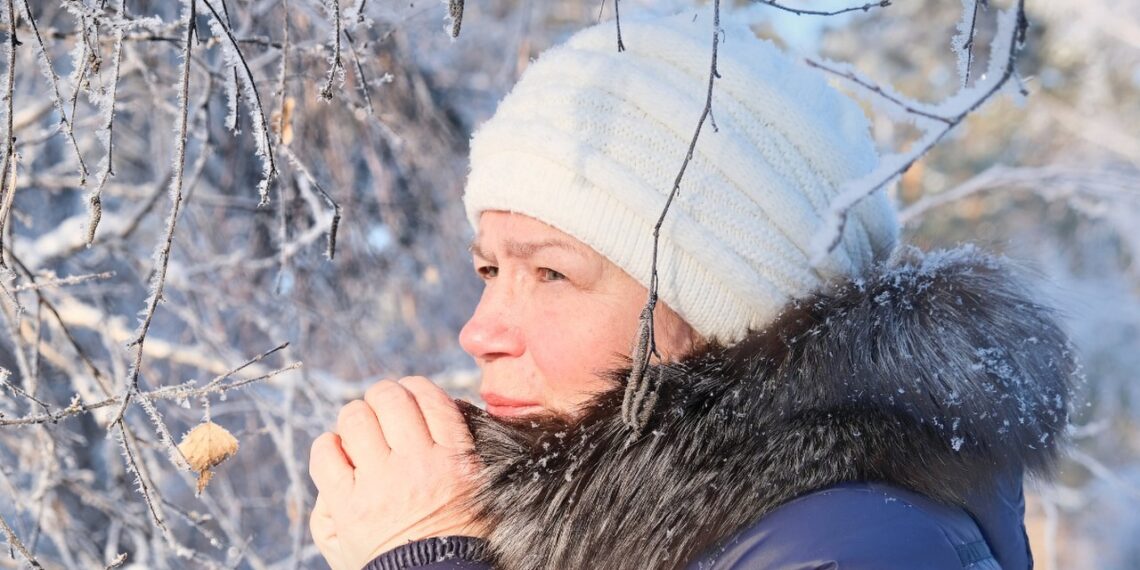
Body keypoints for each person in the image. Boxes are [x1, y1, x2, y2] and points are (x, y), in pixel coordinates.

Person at [309, 9, 1075, 570]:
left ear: (728, 309)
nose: (479, 332)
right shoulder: (670, 533)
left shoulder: (852, 545)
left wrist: (427, 556)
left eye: (550, 273)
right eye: (490, 270)